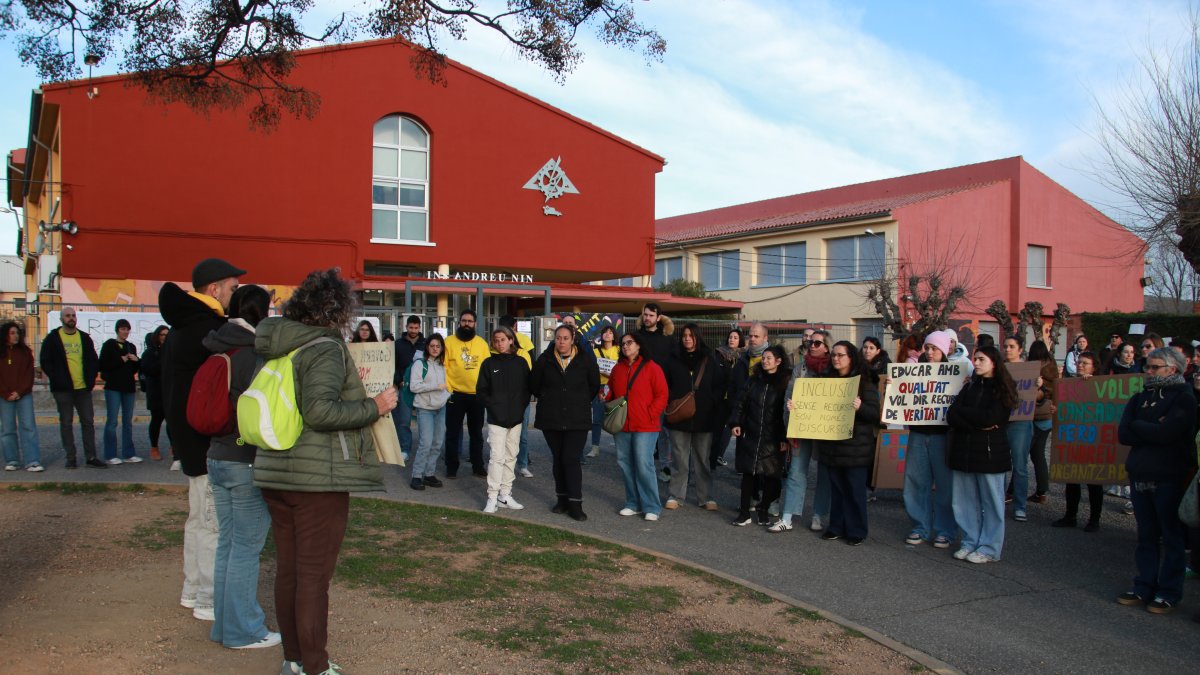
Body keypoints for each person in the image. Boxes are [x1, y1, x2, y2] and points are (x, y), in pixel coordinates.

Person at [252, 268, 397, 675]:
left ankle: (295, 661)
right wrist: (375, 406)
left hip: (277, 470)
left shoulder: (283, 346)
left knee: (291, 572)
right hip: (317, 479)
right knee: (313, 577)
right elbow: (320, 411)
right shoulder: (325, 349)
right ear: (336, 310)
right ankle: (314, 665)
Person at [160, 257, 245, 621]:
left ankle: (193, 589)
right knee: (212, 522)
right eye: (231, 287)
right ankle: (209, 598)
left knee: (198, 518)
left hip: (187, 438)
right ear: (214, 289)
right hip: (205, 439)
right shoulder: (208, 330)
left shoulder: (183, 327)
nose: (234, 294)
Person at [202, 285, 281, 650]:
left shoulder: (219, 344)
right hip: (244, 458)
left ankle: (224, 625)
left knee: (228, 545)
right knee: (246, 549)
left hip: (216, 455)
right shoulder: (254, 355)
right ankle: (242, 630)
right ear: (260, 313)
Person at [1116, 347, 1197, 614]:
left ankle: (1168, 592)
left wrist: (1142, 426)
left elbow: (1169, 433)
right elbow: (1124, 433)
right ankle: (1144, 584)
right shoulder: (1140, 396)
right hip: (1140, 472)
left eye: (1154, 367)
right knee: (1146, 535)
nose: (1148, 371)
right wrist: (1151, 426)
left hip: (1168, 476)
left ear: (1171, 369)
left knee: (1171, 536)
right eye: (1147, 366)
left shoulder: (1184, 397)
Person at [947, 345, 1016, 564]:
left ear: (994, 362)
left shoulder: (1002, 389)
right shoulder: (969, 387)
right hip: (964, 452)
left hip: (990, 454)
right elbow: (951, 415)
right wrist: (974, 422)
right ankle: (970, 541)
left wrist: (966, 417)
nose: (975, 363)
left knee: (992, 503)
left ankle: (989, 547)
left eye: (981, 359)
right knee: (964, 501)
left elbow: (990, 418)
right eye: (975, 359)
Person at [531, 324, 601, 521]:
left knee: (571, 458)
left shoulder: (585, 360)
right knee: (558, 458)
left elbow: (594, 385)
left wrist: (577, 400)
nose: (561, 341)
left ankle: (575, 503)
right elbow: (534, 384)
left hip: (577, 418)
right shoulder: (545, 360)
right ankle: (561, 500)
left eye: (565, 338)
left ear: (573, 340)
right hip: (551, 417)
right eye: (558, 338)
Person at [815, 341, 881, 546]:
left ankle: (856, 530)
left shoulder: (864, 382)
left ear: (851, 357)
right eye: (833, 355)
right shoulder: (826, 381)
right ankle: (836, 527)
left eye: (840, 355)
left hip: (856, 448)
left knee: (854, 490)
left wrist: (860, 407)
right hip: (833, 445)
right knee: (837, 490)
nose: (836, 358)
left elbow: (874, 414)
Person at [606, 332, 668, 522]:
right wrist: (606, 397)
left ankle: (652, 506)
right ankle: (632, 503)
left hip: (645, 426)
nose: (625, 346)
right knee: (625, 464)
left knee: (644, 464)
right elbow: (611, 393)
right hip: (622, 425)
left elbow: (662, 395)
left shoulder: (652, 368)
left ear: (639, 345)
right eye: (623, 343)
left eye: (629, 343)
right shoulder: (617, 369)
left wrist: (650, 414)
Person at [902, 331, 956, 549]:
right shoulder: (914, 371)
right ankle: (919, 526)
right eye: (928, 348)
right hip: (918, 433)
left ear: (944, 350)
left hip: (942, 436)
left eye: (935, 348)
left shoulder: (954, 373)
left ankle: (945, 529)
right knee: (915, 482)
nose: (931, 352)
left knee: (945, 485)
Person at [663, 323, 724, 511]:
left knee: (702, 460)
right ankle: (676, 495)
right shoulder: (673, 359)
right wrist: (672, 400)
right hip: (679, 417)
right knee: (679, 460)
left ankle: (705, 497)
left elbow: (719, 386)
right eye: (684, 335)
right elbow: (666, 384)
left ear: (698, 337)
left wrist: (710, 404)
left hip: (704, 419)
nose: (687, 338)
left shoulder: (709, 359)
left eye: (691, 335)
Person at [778, 329, 833, 533]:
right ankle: (787, 516)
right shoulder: (799, 368)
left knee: (824, 474)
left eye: (817, 343)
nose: (812, 345)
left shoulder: (833, 369)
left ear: (827, 346)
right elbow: (788, 396)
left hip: (825, 430)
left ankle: (818, 515)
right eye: (810, 342)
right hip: (801, 428)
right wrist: (788, 424)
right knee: (796, 472)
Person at [730, 344, 790, 527]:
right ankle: (744, 512)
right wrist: (736, 422)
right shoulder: (753, 380)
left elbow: (785, 412)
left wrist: (784, 437)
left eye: (769, 358)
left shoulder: (785, 383)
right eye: (764, 358)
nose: (765, 361)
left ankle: (764, 509)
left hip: (774, 435)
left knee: (772, 473)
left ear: (778, 361)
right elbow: (741, 402)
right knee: (748, 473)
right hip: (752, 432)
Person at [476, 326, 532, 513]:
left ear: (511, 340)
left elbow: (527, 390)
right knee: (496, 458)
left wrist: (519, 409)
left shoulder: (521, 363)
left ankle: (505, 494)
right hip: (496, 419)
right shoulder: (488, 364)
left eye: (503, 339)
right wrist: (493, 406)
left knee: (511, 457)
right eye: (496, 340)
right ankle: (492, 496)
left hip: (515, 419)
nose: (499, 343)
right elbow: (482, 390)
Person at [39, 307, 102, 469]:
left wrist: (91, 379)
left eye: (73, 315)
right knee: (66, 423)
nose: (71, 318)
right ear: (61, 319)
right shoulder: (53, 338)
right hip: (63, 389)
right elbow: (45, 361)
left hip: (83, 388)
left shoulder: (84, 338)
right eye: (68, 316)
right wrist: (57, 378)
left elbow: (93, 360)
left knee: (88, 422)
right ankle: (71, 457)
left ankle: (91, 457)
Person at [1052, 351, 1105, 532]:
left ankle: (1094, 519)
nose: (1080, 366)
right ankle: (1070, 515)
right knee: (1072, 479)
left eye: (1085, 363)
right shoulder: (1068, 386)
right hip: (1073, 439)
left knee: (1094, 481)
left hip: (1093, 440)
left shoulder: (1101, 386)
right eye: (1079, 362)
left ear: (1094, 367)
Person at [443, 309, 491, 478]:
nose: (467, 324)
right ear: (459, 322)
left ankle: (477, 465)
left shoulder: (482, 344)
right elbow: (444, 367)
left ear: (475, 324)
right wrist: (448, 389)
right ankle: (451, 466)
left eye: (470, 321)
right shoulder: (448, 342)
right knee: (452, 433)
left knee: (476, 433)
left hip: (476, 395)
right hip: (455, 394)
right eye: (464, 321)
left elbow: (487, 369)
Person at [408, 333, 449, 491]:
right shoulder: (420, 364)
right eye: (432, 346)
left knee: (437, 442)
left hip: (441, 407)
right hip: (425, 408)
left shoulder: (441, 365)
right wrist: (435, 387)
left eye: (438, 346)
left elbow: (444, 385)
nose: (435, 349)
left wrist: (447, 395)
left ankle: (429, 473)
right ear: (427, 347)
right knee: (425, 442)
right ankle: (417, 475)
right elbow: (414, 386)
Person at [99, 318, 141, 464]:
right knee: (112, 421)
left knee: (127, 421)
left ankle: (128, 453)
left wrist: (136, 360)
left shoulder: (131, 346)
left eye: (127, 329)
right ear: (117, 330)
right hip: (113, 388)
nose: (125, 332)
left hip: (128, 387)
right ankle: (110, 454)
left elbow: (135, 368)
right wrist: (120, 360)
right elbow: (103, 365)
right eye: (123, 329)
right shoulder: (109, 345)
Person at [0, 321, 41, 472]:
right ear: (5, 335)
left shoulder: (25, 353)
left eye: (17, 333)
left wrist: (19, 391)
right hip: (5, 397)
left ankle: (33, 461)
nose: (15, 336)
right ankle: (12, 460)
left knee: (28, 427)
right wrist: (6, 393)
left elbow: (28, 375)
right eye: (12, 333)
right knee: (7, 429)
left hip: (23, 395)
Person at [498, 315, 536, 476]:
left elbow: (529, 374)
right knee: (502, 435)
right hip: (502, 401)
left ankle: (522, 464)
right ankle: (503, 464)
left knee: (522, 435)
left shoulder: (523, 352)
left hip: (521, 400)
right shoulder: (494, 353)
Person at [1002, 335, 1034, 522]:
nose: (1007, 349)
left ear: (1020, 349)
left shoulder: (1029, 371)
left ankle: (1020, 506)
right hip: (1001, 420)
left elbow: (1037, 398)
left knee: (1020, 466)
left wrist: (1038, 387)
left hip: (1020, 423)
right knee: (999, 465)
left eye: (1012, 346)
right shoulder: (999, 369)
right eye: (1005, 346)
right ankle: (997, 502)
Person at [1027, 340, 1058, 504]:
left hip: (1034, 416)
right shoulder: (1052, 367)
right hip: (1046, 418)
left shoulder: (1032, 368)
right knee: (1038, 455)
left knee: (1024, 455)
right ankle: (1041, 491)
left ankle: (1012, 491)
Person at [708, 327, 744, 470]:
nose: (732, 340)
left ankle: (724, 457)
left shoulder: (743, 357)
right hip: (721, 397)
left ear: (740, 340)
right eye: (730, 337)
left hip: (736, 398)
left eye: (735, 337)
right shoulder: (719, 354)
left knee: (733, 429)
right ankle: (712, 459)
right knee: (717, 429)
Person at [393, 315, 426, 465]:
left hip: (422, 389)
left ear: (420, 327)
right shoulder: (398, 344)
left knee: (424, 421)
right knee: (404, 421)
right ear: (406, 327)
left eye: (416, 328)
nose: (413, 330)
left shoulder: (425, 344)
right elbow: (392, 364)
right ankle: (405, 449)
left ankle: (424, 450)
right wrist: (398, 381)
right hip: (404, 388)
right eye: (411, 327)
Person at [589, 324, 620, 459]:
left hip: (615, 387)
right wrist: (602, 372)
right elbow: (591, 369)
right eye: (605, 332)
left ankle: (620, 447)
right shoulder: (595, 352)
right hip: (600, 387)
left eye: (610, 332)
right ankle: (595, 447)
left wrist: (611, 375)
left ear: (614, 336)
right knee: (597, 419)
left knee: (617, 418)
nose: (608, 334)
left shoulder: (619, 350)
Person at [141, 325, 170, 461]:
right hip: (156, 392)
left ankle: (174, 447)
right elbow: (149, 370)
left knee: (171, 422)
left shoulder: (171, 351)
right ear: (157, 336)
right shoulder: (150, 353)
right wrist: (163, 362)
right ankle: (154, 447)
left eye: (167, 334)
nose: (165, 337)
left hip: (169, 391)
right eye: (162, 335)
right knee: (156, 421)